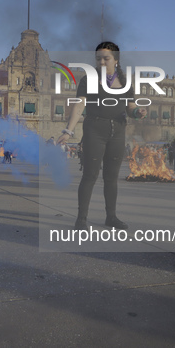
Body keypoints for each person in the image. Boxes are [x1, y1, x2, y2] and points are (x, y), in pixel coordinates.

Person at [57, 41, 146, 230]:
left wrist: (138, 112)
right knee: (90, 175)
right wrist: (68, 131)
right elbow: (79, 105)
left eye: (106, 58)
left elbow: (130, 107)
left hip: (117, 132)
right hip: (94, 130)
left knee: (111, 178)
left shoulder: (125, 82)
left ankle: (111, 217)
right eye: (98, 59)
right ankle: (81, 219)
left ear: (116, 60)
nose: (102, 62)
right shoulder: (88, 80)